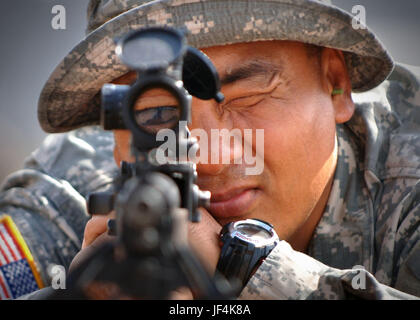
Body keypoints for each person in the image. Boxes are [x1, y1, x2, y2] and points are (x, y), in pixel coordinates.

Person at [0, 0, 419, 299]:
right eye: (157, 111)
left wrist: (250, 272)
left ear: (335, 83)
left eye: (247, 96)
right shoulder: (71, 190)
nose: (208, 158)